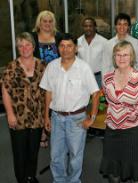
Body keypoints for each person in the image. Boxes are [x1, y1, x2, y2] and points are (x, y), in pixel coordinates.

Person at [39, 33, 99, 183]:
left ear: (76, 48)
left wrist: (91, 118)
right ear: (58, 47)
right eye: (62, 46)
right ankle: (59, 180)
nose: (65, 49)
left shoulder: (84, 68)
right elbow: (48, 93)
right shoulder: (52, 66)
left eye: (69, 46)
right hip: (57, 118)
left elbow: (96, 94)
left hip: (77, 119)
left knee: (75, 157)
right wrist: (46, 116)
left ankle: (74, 181)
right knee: (56, 156)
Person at [99, 40, 138, 183]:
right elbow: (109, 101)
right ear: (114, 57)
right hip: (112, 129)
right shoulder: (107, 79)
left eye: (125, 55)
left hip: (134, 131)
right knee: (113, 170)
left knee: (136, 171)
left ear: (132, 57)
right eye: (118, 55)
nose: (121, 58)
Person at [1, 32, 46, 183]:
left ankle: (30, 176)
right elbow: (5, 91)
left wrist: (46, 116)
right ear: (17, 48)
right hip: (18, 117)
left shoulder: (42, 65)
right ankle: (21, 179)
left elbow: (47, 92)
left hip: (37, 117)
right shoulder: (11, 67)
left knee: (33, 151)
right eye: (20, 46)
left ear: (33, 46)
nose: (24, 48)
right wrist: (10, 114)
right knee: (20, 152)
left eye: (27, 45)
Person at [32, 10, 62, 148]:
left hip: (58, 78)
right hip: (39, 78)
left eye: (50, 21)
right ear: (39, 22)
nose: (47, 24)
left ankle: (56, 133)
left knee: (55, 105)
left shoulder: (59, 37)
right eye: (45, 21)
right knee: (40, 106)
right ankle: (42, 133)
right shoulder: (33, 37)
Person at [77, 17, 107, 87]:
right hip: (82, 77)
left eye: (90, 26)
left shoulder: (104, 42)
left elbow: (106, 62)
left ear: (95, 27)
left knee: (98, 98)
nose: (88, 28)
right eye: (86, 26)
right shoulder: (78, 41)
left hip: (98, 77)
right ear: (83, 27)